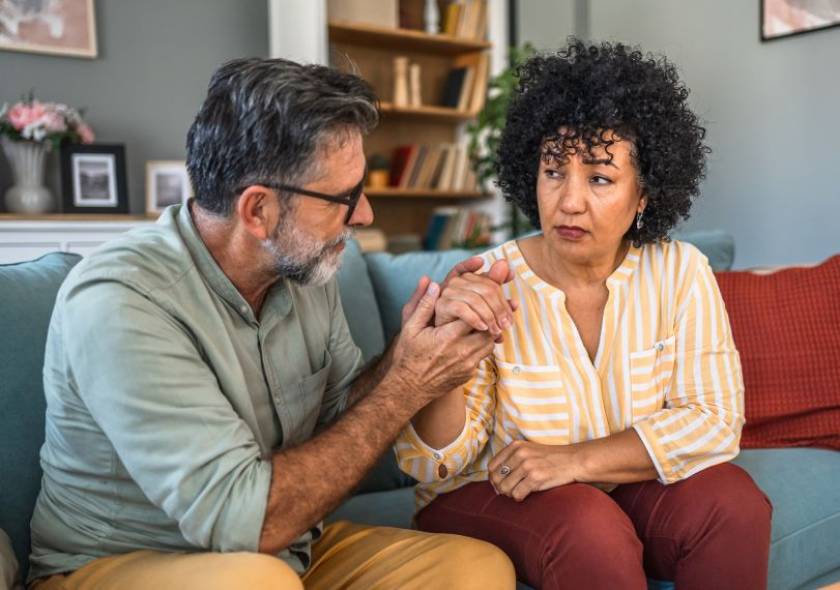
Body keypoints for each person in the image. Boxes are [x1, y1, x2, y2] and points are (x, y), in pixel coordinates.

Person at [28, 58, 517, 590]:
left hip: (288, 550)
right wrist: (407, 384)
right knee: (258, 583)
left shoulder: (305, 269)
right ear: (258, 210)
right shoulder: (121, 301)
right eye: (344, 198)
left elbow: (346, 415)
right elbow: (246, 521)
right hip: (124, 562)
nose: (365, 215)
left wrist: (415, 347)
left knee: (475, 568)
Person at [396, 40, 773, 590]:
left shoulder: (679, 271)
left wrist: (575, 460)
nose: (569, 201)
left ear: (643, 194)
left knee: (733, 504)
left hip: (606, 482)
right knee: (586, 525)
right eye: (553, 172)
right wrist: (443, 355)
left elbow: (712, 421)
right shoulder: (489, 283)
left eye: (599, 179)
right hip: (485, 495)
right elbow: (437, 466)